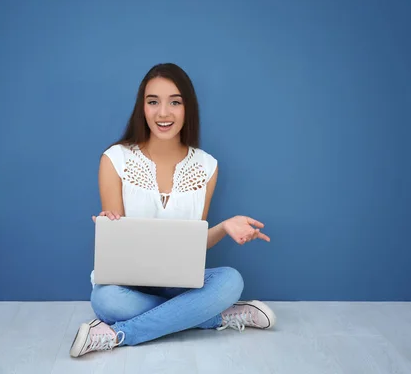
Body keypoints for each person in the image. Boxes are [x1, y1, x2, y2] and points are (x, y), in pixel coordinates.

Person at [69, 63, 276, 358]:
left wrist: (223, 227)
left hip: (182, 286)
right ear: (142, 107)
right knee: (106, 300)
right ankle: (214, 316)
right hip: (130, 286)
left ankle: (117, 334)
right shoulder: (114, 159)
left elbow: (193, 244)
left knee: (231, 280)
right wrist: (109, 226)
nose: (163, 113)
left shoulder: (207, 166)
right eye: (153, 102)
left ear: (187, 108)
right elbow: (116, 244)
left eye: (174, 102)